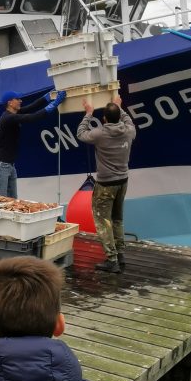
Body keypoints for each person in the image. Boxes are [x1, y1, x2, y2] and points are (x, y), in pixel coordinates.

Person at [77, 95, 136, 274]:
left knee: (103, 221)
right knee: (118, 219)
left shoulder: (99, 133)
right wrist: (120, 107)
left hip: (105, 184)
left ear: (104, 119)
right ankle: (121, 254)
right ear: (119, 116)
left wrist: (88, 113)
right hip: (123, 181)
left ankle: (112, 260)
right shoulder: (129, 131)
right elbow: (128, 121)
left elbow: (80, 133)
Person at [0, 89, 66, 197]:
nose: (20, 101)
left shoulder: (12, 113)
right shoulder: (8, 118)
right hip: (1, 165)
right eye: (17, 99)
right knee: (1, 199)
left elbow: (31, 107)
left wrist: (47, 96)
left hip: (9, 165)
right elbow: (32, 117)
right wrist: (54, 104)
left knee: (13, 201)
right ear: (10, 102)